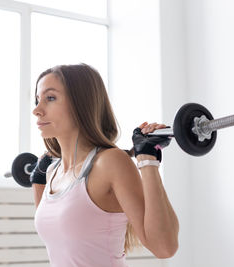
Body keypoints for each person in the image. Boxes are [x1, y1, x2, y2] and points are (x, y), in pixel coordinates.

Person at [31, 63, 179, 267]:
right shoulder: (52, 172)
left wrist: (147, 160)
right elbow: (58, 234)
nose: (37, 110)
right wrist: (37, 180)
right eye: (38, 99)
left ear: (80, 104)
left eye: (50, 98)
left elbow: (164, 247)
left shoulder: (110, 162)